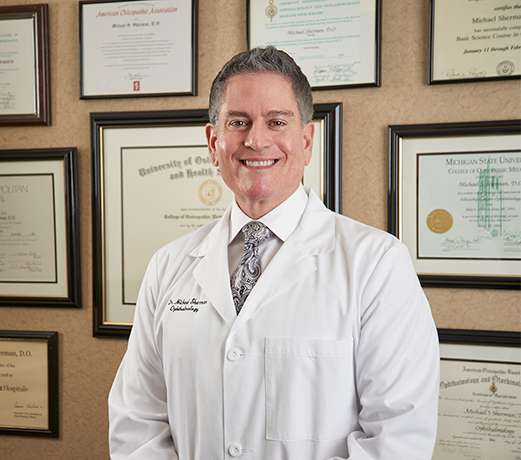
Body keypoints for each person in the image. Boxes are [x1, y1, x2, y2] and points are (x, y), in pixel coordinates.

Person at [108, 46, 440, 460]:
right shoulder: (168, 265)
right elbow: (137, 421)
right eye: (238, 122)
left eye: (276, 121)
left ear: (305, 140)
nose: (256, 139)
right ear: (214, 143)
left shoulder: (377, 264)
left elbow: (397, 436)